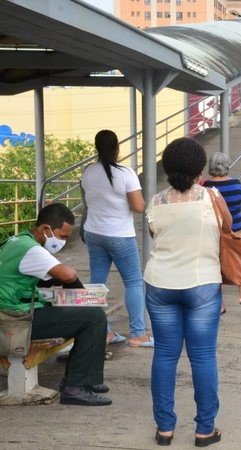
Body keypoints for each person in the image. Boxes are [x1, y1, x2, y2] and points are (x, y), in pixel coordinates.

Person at [143, 138, 225, 447]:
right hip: (201, 283)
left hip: (160, 284)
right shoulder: (211, 197)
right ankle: (204, 430)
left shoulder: (157, 201)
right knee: (202, 357)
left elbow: (154, 233)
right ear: (199, 167)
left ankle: (165, 429)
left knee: (164, 355)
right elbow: (228, 230)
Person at [0, 203, 111, 406]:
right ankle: (75, 388)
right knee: (93, 317)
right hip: (13, 321)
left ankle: (88, 380)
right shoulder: (31, 249)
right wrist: (81, 294)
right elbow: (68, 275)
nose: (63, 242)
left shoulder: (16, 241)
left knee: (84, 314)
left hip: (13, 313)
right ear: (46, 230)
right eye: (62, 237)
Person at [80, 130, 152, 348]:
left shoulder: (88, 172)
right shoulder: (126, 173)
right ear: (117, 147)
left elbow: (88, 201)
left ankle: (104, 332)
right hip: (119, 235)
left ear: (96, 146)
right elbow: (139, 207)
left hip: (93, 232)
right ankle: (138, 334)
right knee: (133, 281)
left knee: (97, 282)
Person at [201, 152, 241, 316]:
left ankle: (220, 304)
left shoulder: (206, 187)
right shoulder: (236, 184)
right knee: (240, 260)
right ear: (227, 166)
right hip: (235, 228)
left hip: (215, 230)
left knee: (217, 265)